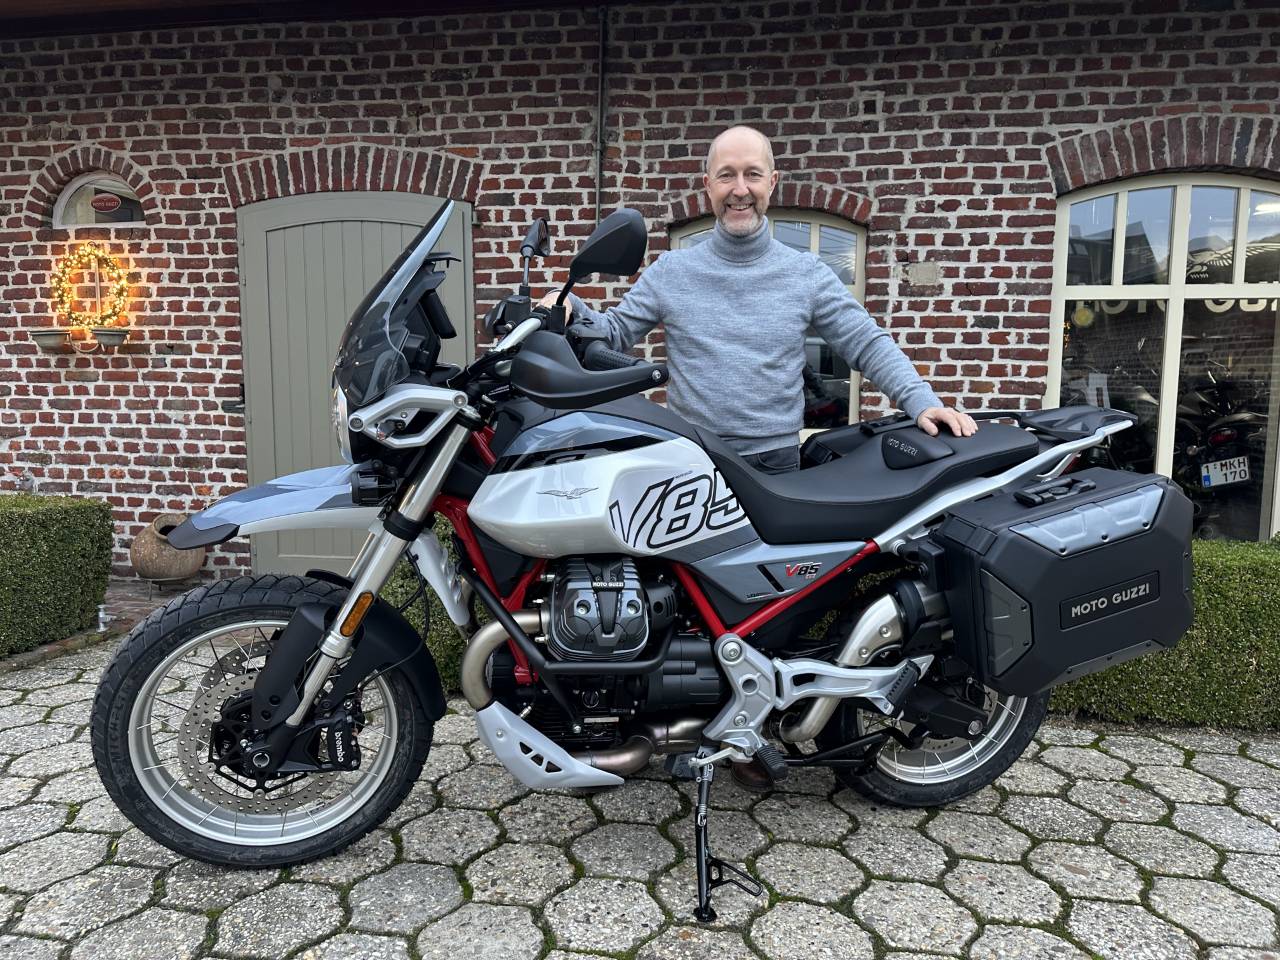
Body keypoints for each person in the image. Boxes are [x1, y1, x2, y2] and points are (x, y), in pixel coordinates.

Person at [542, 124, 977, 476]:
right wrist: (570, 306)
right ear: (708, 185)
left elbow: (866, 343)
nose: (740, 189)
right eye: (726, 175)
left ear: (772, 182)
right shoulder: (672, 270)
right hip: (689, 459)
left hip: (775, 465)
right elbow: (615, 333)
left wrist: (922, 402)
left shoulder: (806, 274)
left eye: (752, 174)